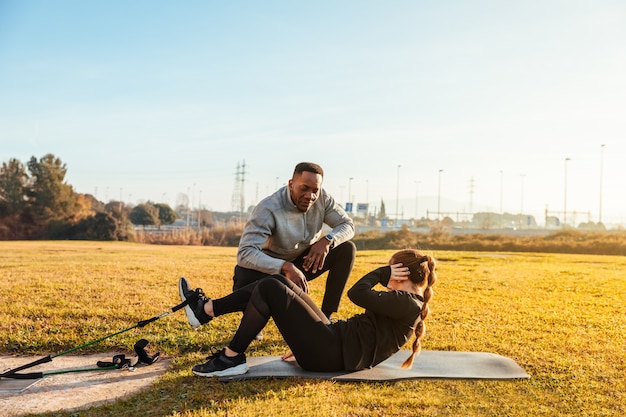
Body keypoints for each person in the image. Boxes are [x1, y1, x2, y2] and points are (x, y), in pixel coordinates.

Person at [178, 249, 437, 377]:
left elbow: (356, 294)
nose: (385, 280)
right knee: (280, 283)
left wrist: (382, 272)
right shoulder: (406, 302)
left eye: (391, 272)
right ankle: (207, 310)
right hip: (330, 344)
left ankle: (231, 357)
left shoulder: (407, 303)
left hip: (330, 353)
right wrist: (306, 339)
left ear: (400, 273)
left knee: (271, 286)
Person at [233, 161, 356, 319]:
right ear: (291, 184)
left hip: (303, 262)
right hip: (268, 268)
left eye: (315, 191)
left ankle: (326, 318)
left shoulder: (323, 198)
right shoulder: (268, 208)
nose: (310, 196)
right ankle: (251, 314)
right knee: (245, 274)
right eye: (304, 188)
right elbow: (245, 253)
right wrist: (284, 266)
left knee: (347, 249)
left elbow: (348, 225)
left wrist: (328, 240)